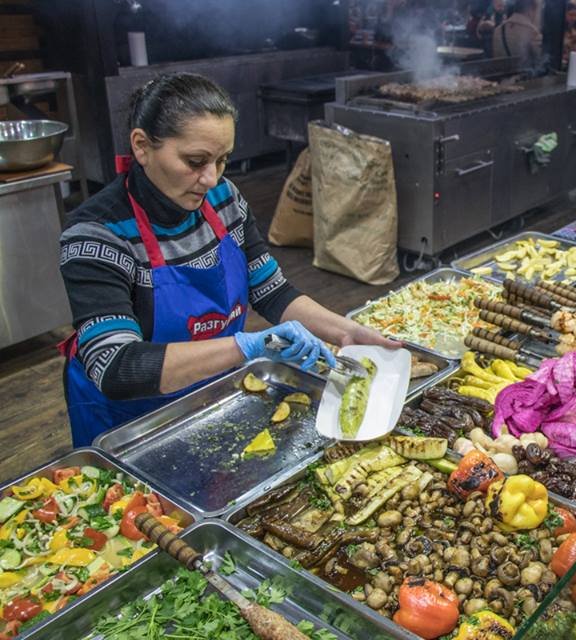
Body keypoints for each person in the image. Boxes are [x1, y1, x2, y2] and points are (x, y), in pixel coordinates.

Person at [58, 73, 399, 447]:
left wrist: (345, 332)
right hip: (128, 419)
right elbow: (116, 366)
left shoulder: (223, 200)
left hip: (210, 387)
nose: (210, 178)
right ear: (141, 146)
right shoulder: (96, 233)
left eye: (222, 160)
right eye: (195, 161)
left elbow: (271, 290)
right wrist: (246, 347)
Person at [492, 0, 543, 69]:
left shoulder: (497, 30)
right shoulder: (533, 33)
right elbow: (541, 63)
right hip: (523, 79)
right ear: (530, 10)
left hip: (499, 78)